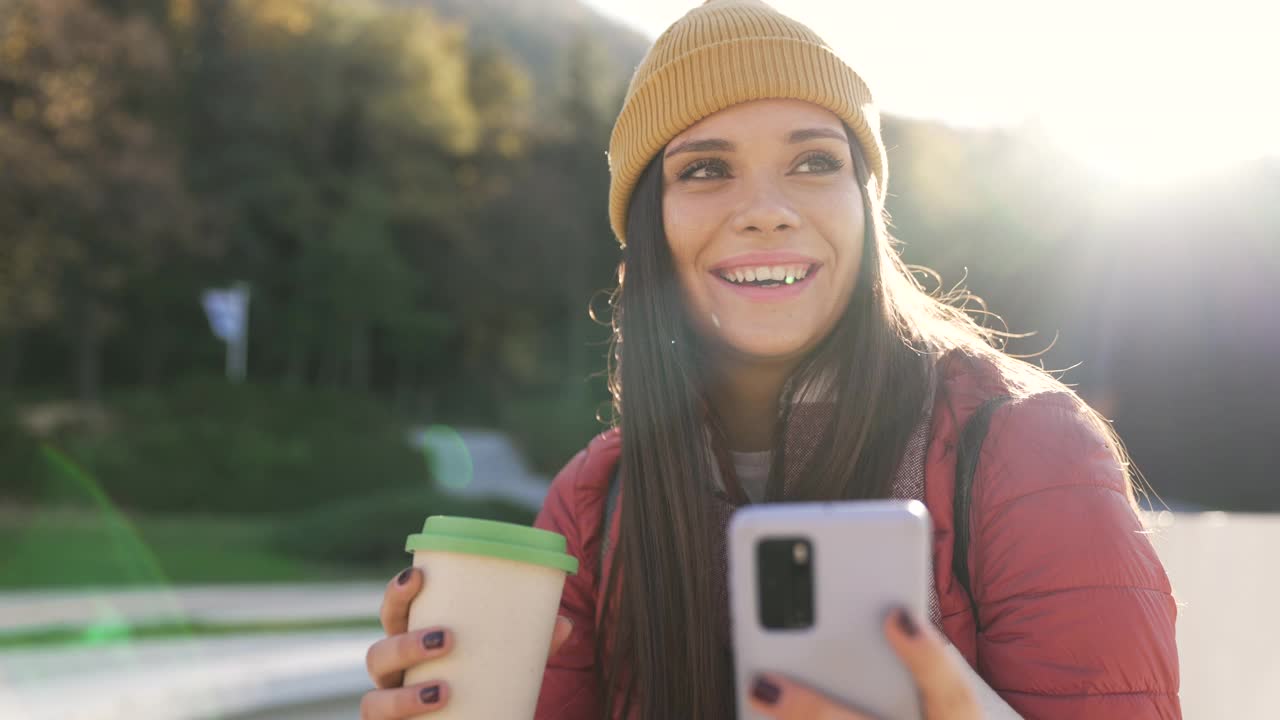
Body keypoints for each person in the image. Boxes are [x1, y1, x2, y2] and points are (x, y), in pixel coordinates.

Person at [360, 1, 1181, 718]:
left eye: (815, 162)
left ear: (865, 210)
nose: (766, 211)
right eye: (707, 170)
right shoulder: (593, 501)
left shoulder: (1030, 451)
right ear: (649, 231)